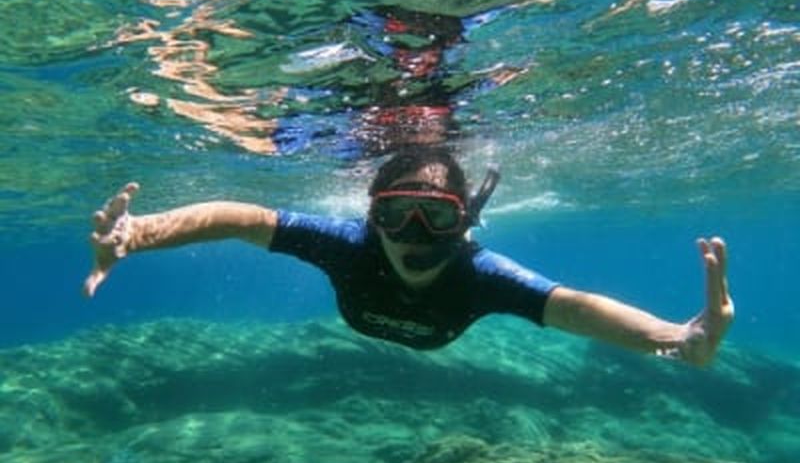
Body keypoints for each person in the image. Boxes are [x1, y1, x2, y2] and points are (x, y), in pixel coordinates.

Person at [83, 148, 733, 366]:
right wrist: (139, 235)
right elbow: (243, 218)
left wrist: (675, 338)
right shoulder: (348, 244)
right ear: (373, 219)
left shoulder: (480, 276)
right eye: (397, 215)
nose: (416, 235)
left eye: (440, 217)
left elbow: (569, 307)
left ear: (466, 223)